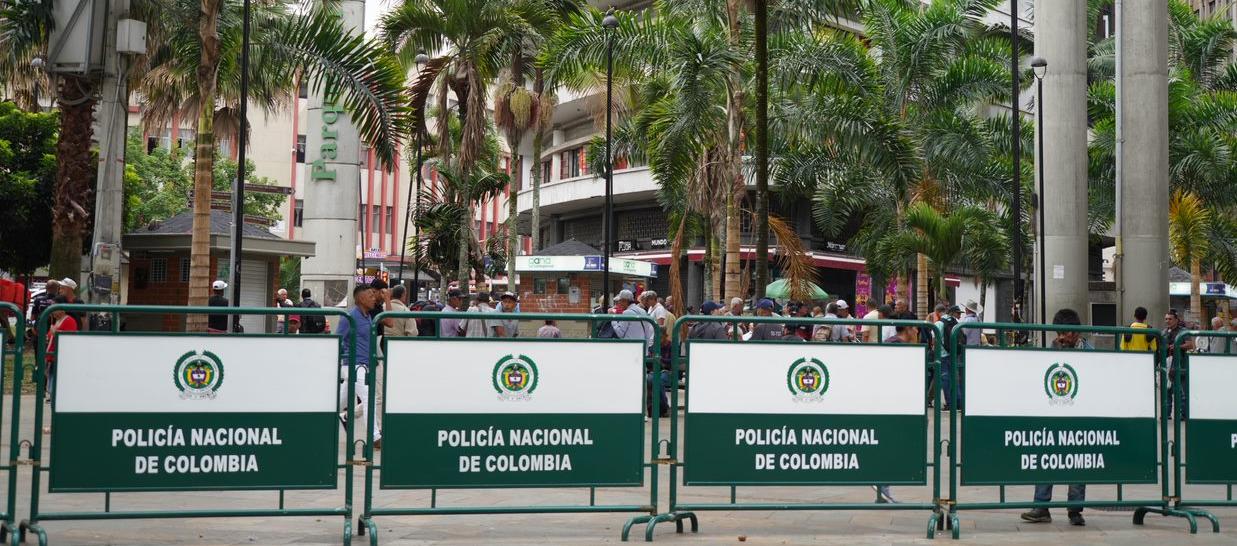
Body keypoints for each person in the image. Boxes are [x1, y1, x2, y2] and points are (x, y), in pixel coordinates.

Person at [1022, 308, 1090, 527]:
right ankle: (1041, 507)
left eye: (1065, 334)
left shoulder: (1090, 352)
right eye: (1058, 333)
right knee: (1046, 459)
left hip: (1080, 416)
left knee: (1078, 463)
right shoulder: (1051, 349)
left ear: (1076, 333)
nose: (1061, 338)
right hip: (1053, 416)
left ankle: (1075, 510)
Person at [334, 285, 377, 439]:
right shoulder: (349, 317)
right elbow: (338, 338)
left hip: (363, 365)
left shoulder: (368, 316)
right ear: (360, 299)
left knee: (338, 401)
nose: (374, 298)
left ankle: (321, 418)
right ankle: (375, 437)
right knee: (368, 397)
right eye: (370, 296)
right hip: (352, 364)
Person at [44, 295, 79, 399]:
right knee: (51, 379)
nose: (52, 310)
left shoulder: (69, 321)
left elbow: (68, 338)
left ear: (62, 309)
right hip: (52, 357)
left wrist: (56, 333)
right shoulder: (56, 321)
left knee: (56, 381)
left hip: (60, 357)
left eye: (54, 307)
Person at [1163, 308, 1194, 418]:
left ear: (1176, 320)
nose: (1167, 321)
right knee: (1166, 390)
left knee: (1181, 391)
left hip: (1180, 364)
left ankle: (1183, 414)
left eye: (1170, 319)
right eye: (1166, 319)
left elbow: (1190, 345)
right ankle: (1166, 414)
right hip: (1167, 364)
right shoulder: (1164, 331)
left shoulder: (1183, 331)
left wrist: (1177, 346)